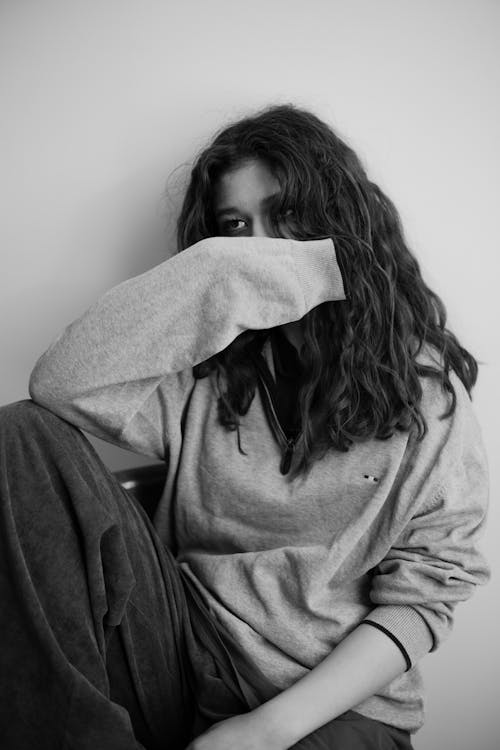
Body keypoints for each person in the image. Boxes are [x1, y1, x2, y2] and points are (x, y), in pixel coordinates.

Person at [0, 104, 490, 750]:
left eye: (285, 216)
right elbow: (58, 388)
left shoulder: (420, 387)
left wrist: (264, 732)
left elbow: (430, 588)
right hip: (181, 645)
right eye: (236, 227)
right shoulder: (201, 371)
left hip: (326, 695)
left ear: (335, 221)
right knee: (20, 435)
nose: (260, 246)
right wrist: (224, 270)